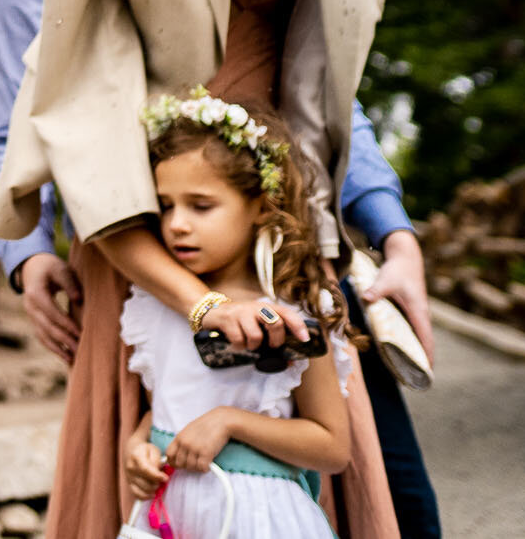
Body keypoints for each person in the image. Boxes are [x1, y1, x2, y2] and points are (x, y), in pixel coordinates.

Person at [0, 0, 440, 537]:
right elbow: (26, 130)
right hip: (141, 253)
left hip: (285, 236)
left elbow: (323, 92)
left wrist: (392, 227)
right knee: (159, 467)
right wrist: (28, 258)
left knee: (386, 476)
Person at [120, 91, 354, 539]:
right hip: (172, 513)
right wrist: (139, 446)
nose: (177, 224)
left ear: (261, 205)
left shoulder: (294, 308)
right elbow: (170, 403)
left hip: (256, 518)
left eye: (200, 205)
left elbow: (333, 446)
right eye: (166, 206)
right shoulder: (161, 303)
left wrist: (229, 421)